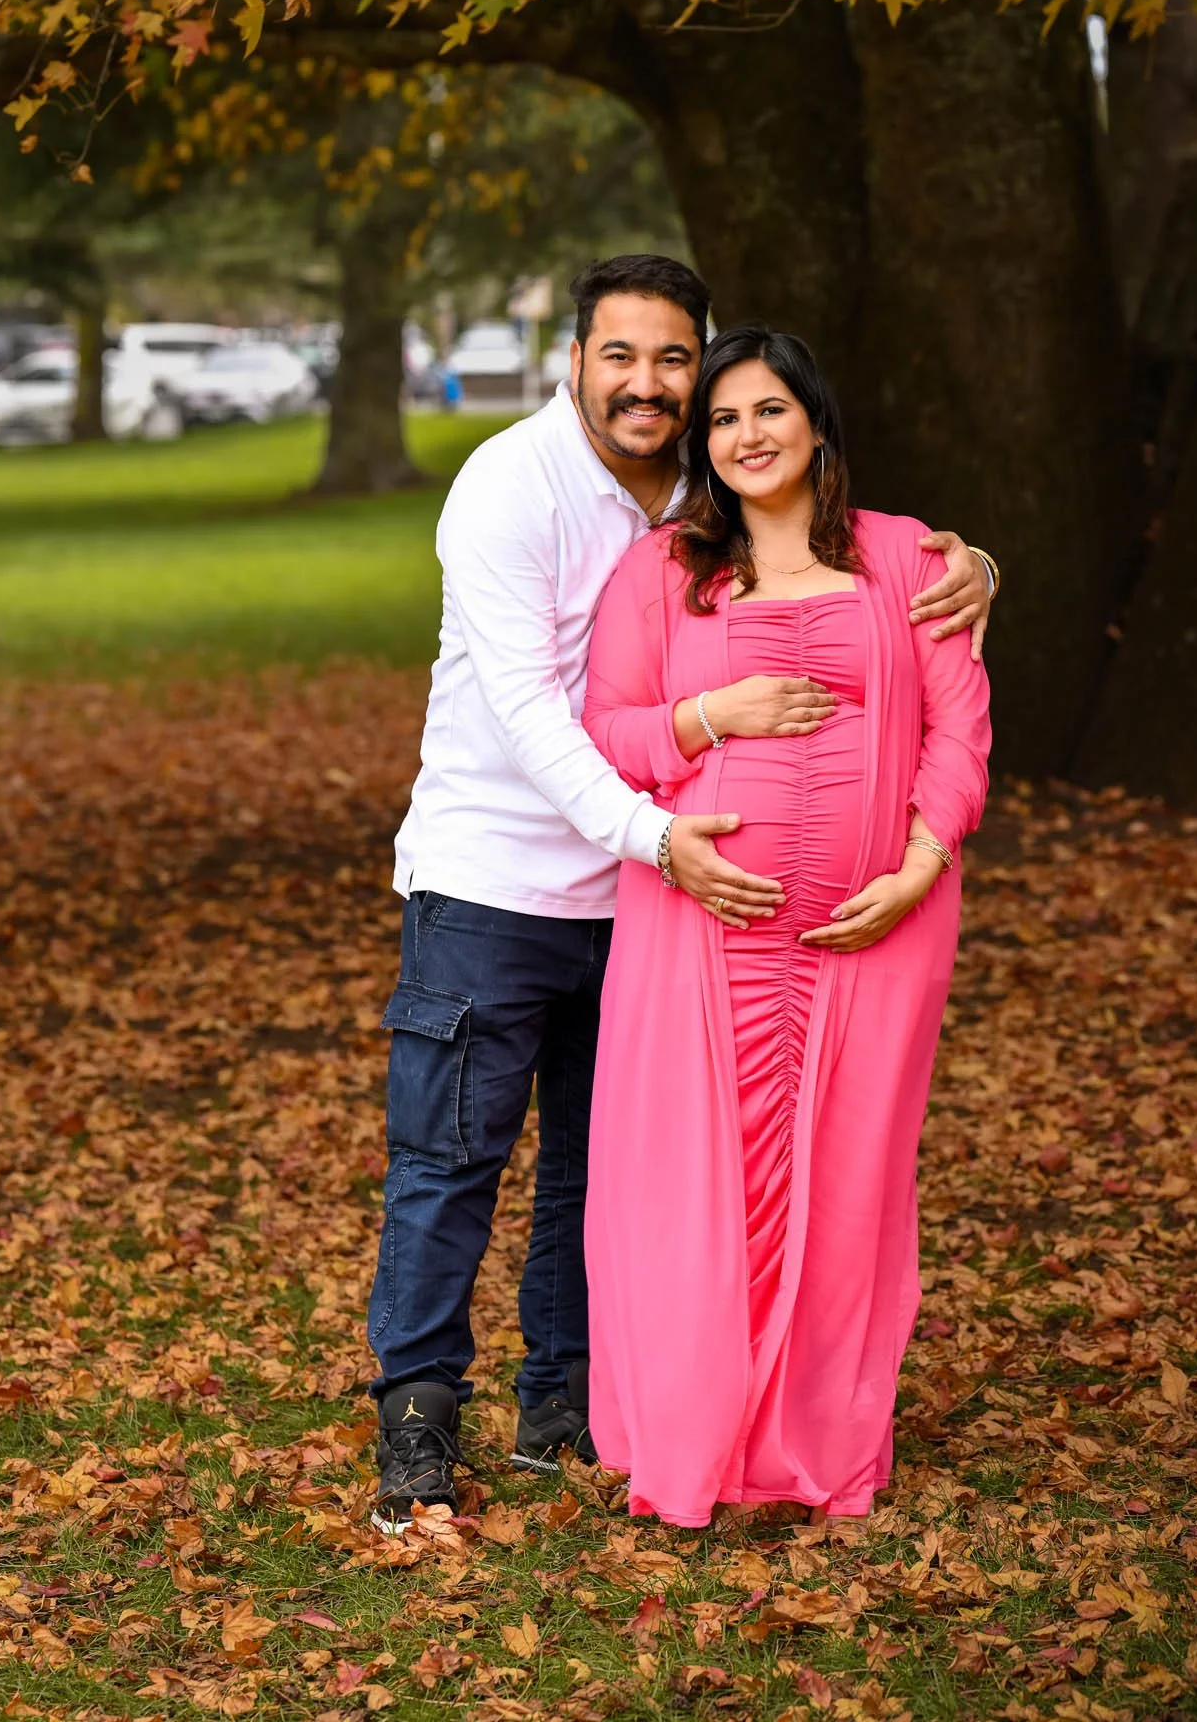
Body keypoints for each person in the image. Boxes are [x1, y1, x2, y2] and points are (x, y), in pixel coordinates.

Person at [366, 256, 997, 1533]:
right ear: (576, 359)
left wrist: (981, 566)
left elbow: (926, 659)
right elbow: (550, 718)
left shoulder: (699, 502)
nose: (652, 386)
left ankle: (570, 1407)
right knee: (451, 1161)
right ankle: (418, 1425)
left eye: (676, 365)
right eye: (622, 358)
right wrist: (674, 800)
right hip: (503, 881)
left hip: (646, 903)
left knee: (604, 1175)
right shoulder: (513, 488)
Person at [581, 325, 992, 1525]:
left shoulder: (911, 558)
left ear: (815, 420)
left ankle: (815, 1444)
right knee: (691, 1184)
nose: (746, 437)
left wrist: (919, 864)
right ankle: (698, 1437)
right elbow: (607, 733)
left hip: (875, 933)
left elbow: (959, 727)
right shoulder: (665, 572)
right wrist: (713, 713)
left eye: (769, 411)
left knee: (850, 1179)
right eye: (722, 420)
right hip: (701, 926)